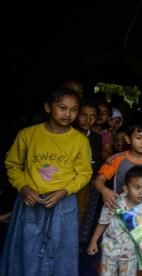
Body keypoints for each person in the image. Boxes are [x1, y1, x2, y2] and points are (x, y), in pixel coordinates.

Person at [1, 88, 92, 275]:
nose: (68, 114)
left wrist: (65, 191)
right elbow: (12, 164)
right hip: (30, 199)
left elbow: (84, 173)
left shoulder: (80, 140)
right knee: (28, 249)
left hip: (63, 202)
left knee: (60, 251)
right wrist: (23, 187)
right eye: (62, 108)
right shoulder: (27, 134)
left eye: (74, 110)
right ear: (48, 107)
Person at [87, 166, 142, 276]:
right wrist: (93, 241)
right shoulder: (113, 202)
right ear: (126, 188)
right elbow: (103, 223)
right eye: (137, 187)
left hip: (131, 253)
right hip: (110, 250)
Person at [94, 123, 142, 209]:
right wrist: (104, 190)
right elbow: (99, 180)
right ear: (128, 139)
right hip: (119, 206)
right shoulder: (117, 159)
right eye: (139, 138)